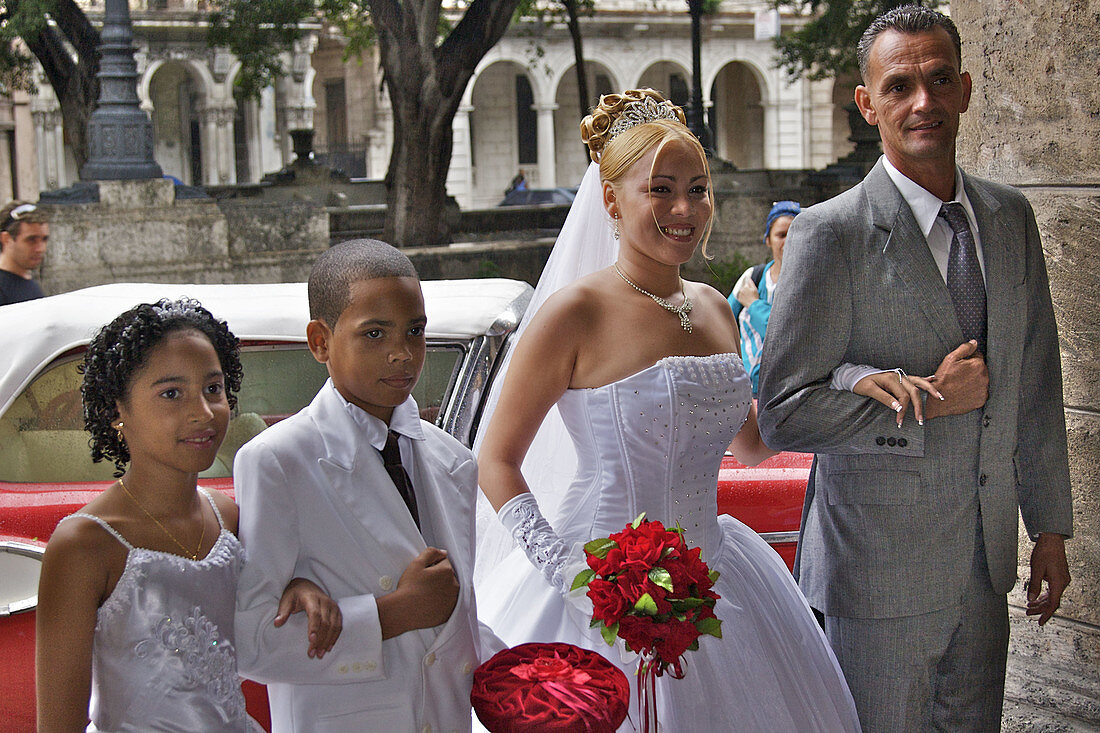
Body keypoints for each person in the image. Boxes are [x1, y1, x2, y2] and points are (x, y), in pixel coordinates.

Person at [474, 89, 861, 731]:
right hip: (594, 583)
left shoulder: (714, 307)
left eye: (699, 188)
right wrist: (572, 574)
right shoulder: (575, 313)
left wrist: (845, 377)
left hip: (719, 575)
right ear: (611, 202)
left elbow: (752, 445)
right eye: (661, 189)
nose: (685, 209)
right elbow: (497, 458)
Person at [757, 6, 1073, 731]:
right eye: (899, 86)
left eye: (937, 80)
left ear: (964, 89)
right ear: (868, 104)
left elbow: (1035, 383)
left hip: (985, 567)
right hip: (875, 574)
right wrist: (930, 401)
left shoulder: (1010, 217)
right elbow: (783, 410)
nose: (922, 101)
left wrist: (1048, 525)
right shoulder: (828, 234)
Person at [35, 298, 340, 732]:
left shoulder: (229, 517)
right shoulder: (85, 544)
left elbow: (262, 608)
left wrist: (300, 583)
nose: (203, 412)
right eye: (172, 394)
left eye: (213, 389)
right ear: (117, 411)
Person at [234, 239, 500, 733]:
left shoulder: (453, 460)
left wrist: (531, 674)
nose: (402, 354)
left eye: (414, 331)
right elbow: (251, 642)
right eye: (374, 334)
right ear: (320, 342)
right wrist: (392, 614)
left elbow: (451, 626)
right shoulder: (277, 461)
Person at [728, 200, 800, 395]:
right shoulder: (752, 277)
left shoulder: (808, 285)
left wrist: (753, 304)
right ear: (768, 239)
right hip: (745, 391)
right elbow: (723, 324)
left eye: (794, 234)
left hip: (786, 392)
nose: (788, 241)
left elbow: (785, 336)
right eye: (781, 235)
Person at [0, 200, 49, 306]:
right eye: (31, 240)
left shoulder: (31, 286)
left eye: (44, 239)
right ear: (6, 239)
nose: (40, 248)